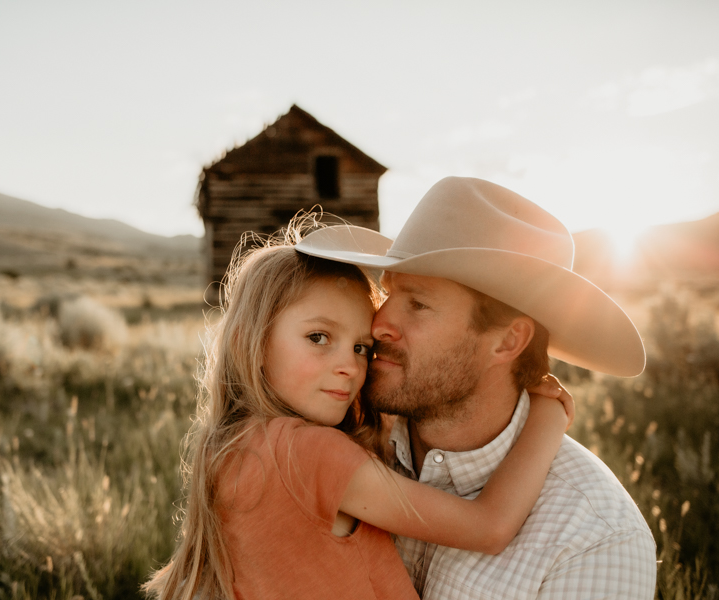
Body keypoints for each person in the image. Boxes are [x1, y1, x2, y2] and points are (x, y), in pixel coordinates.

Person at [142, 223, 574, 600]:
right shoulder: (308, 453)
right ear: (250, 345)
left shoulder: (234, 446)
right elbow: (489, 527)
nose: (349, 365)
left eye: (361, 347)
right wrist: (550, 414)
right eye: (317, 337)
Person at [295, 176, 657, 599]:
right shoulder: (337, 433)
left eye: (418, 303)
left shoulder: (592, 538)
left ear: (507, 341)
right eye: (387, 294)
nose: (379, 325)